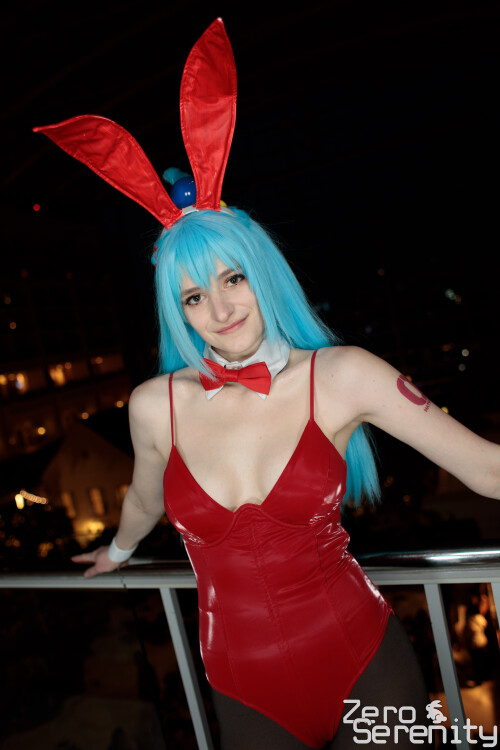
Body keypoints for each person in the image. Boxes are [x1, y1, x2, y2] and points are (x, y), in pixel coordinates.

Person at [35, 18, 500, 750]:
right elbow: (146, 498)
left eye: (233, 279)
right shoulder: (155, 406)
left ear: (262, 271)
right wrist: (119, 552)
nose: (220, 311)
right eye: (194, 297)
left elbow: (486, 470)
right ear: (176, 311)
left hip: (368, 667)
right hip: (242, 691)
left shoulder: (343, 374)